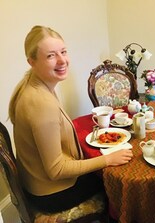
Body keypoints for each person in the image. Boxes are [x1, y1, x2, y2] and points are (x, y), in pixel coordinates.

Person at [8, 25, 133, 213]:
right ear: (31, 61)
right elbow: (56, 170)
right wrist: (108, 159)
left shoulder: (33, 86)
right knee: (116, 183)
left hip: (37, 183)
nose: (62, 60)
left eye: (63, 52)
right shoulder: (41, 103)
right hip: (52, 194)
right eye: (50, 55)